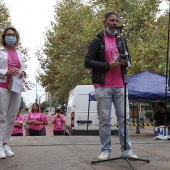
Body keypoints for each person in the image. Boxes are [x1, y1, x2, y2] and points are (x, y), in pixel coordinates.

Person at [85, 11, 138, 161]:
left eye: (116, 20)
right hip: (103, 85)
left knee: (125, 118)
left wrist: (124, 62)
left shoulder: (121, 39)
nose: (115, 23)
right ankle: (105, 150)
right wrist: (107, 65)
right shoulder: (97, 40)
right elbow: (87, 62)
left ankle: (127, 150)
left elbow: (129, 61)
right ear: (104, 23)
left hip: (121, 85)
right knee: (104, 119)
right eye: (112, 20)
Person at [0, 27, 26, 159]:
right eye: (8, 35)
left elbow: (23, 69)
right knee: (1, 116)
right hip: (2, 86)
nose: (11, 37)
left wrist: (22, 73)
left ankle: (5, 144)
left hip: (16, 87)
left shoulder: (19, 53)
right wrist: (6, 72)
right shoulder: (0, 52)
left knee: (11, 117)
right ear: (4, 37)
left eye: (13, 35)